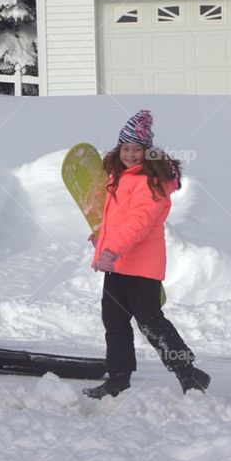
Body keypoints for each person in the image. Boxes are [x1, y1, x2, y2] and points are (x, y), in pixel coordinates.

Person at [84, 109, 210, 399]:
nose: (130, 154)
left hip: (141, 268)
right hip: (118, 266)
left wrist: (112, 249)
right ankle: (118, 379)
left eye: (136, 149)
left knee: (150, 322)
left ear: (147, 152)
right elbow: (119, 217)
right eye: (125, 148)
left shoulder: (151, 183)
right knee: (114, 323)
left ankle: (188, 373)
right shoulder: (121, 177)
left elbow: (138, 224)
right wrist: (101, 237)